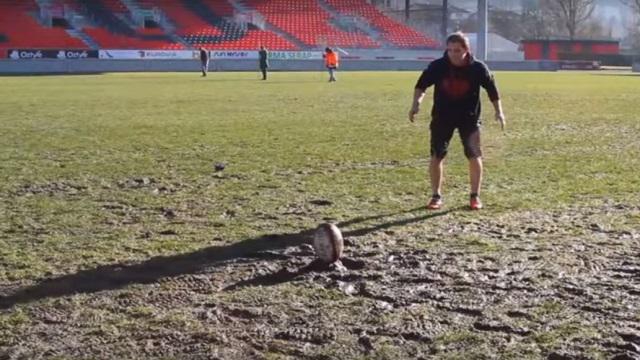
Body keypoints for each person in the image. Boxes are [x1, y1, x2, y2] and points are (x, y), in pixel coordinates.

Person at [408, 32, 505, 211]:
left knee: (474, 155)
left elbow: (492, 90)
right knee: (437, 155)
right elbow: (421, 85)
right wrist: (416, 104)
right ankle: (436, 195)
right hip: (442, 117)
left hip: (469, 118)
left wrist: (499, 111)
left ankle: (475, 196)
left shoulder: (478, 68)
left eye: (457, 50)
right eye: (450, 50)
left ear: (466, 50)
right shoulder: (438, 66)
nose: (453, 54)